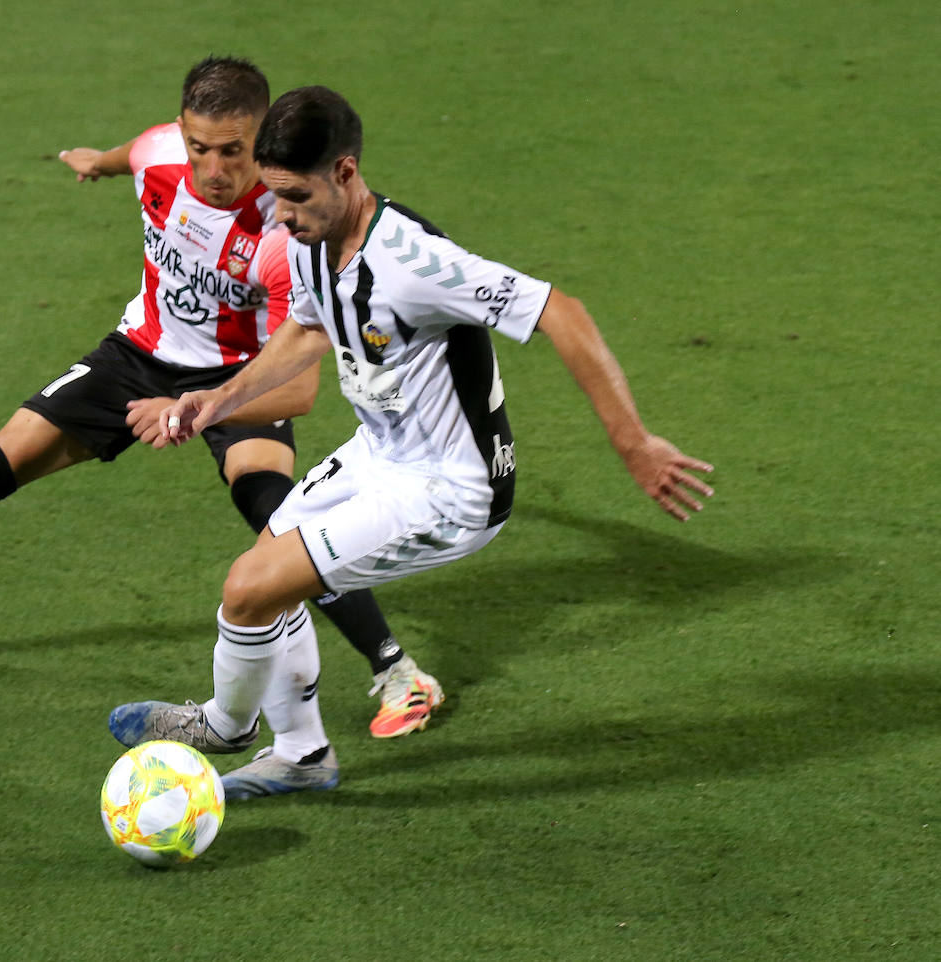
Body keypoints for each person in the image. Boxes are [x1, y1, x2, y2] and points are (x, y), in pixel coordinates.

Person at [0, 59, 445, 739]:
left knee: (281, 522)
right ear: (182, 132)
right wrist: (96, 161)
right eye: (201, 149)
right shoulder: (162, 155)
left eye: (235, 152)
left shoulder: (284, 231)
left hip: (239, 378)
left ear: (263, 141)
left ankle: (397, 672)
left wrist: (199, 409)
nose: (216, 171)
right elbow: (140, 149)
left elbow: (298, 386)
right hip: (135, 356)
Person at [108, 85, 716, 799]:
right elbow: (308, 328)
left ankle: (227, 725)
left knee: (249, 588)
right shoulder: (306, 235)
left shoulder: (415, 260)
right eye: (274, 195)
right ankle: (302, 757)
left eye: (296, 196)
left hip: (449, 488)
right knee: (268, 565)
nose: (282, 214)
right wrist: (218, 401)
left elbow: (562, 311)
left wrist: (634, 442)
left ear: (346, 172)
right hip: (381, 452)